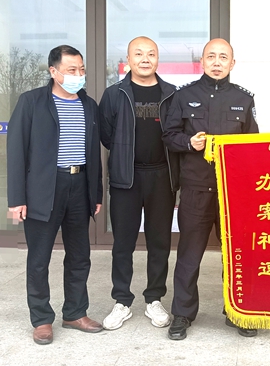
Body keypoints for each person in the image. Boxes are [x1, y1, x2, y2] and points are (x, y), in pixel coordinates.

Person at [162, 38, 259, 340]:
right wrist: (188, 142)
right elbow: (169, 135)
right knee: (189, 256)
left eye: (223, 57)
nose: (217, 62)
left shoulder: (244, 99)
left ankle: (238, 311)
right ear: (202, 62)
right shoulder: (184, 96)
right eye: (211, 56)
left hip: (233, 193)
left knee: (236, 254)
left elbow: (253, 145)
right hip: (195, 189)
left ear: (232, 63)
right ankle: (182, 314)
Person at [7, 45, 103, 345]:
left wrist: (96, 193)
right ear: (53, 71)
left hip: (79, 185)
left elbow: (94, 153)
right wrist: (16, 199)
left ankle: (75, 312)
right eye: (71, 70)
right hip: (43, 189)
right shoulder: (32, 102)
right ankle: (41, 319)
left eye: (81, 70)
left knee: (80, 256)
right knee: (39, 259)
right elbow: (16, 151)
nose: (78, 75)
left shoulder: (89, 105)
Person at [99, 36, 179, 330]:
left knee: (160, 242)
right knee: (123, 243)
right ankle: (122, 301)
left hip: (162, 177)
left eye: (151, 54)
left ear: (158, 59)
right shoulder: (114, 94)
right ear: (129, 59)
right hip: (126, 177)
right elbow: (106, 135)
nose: (145, 59)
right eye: (139, 54)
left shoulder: (171, 94)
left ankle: (154, 299)